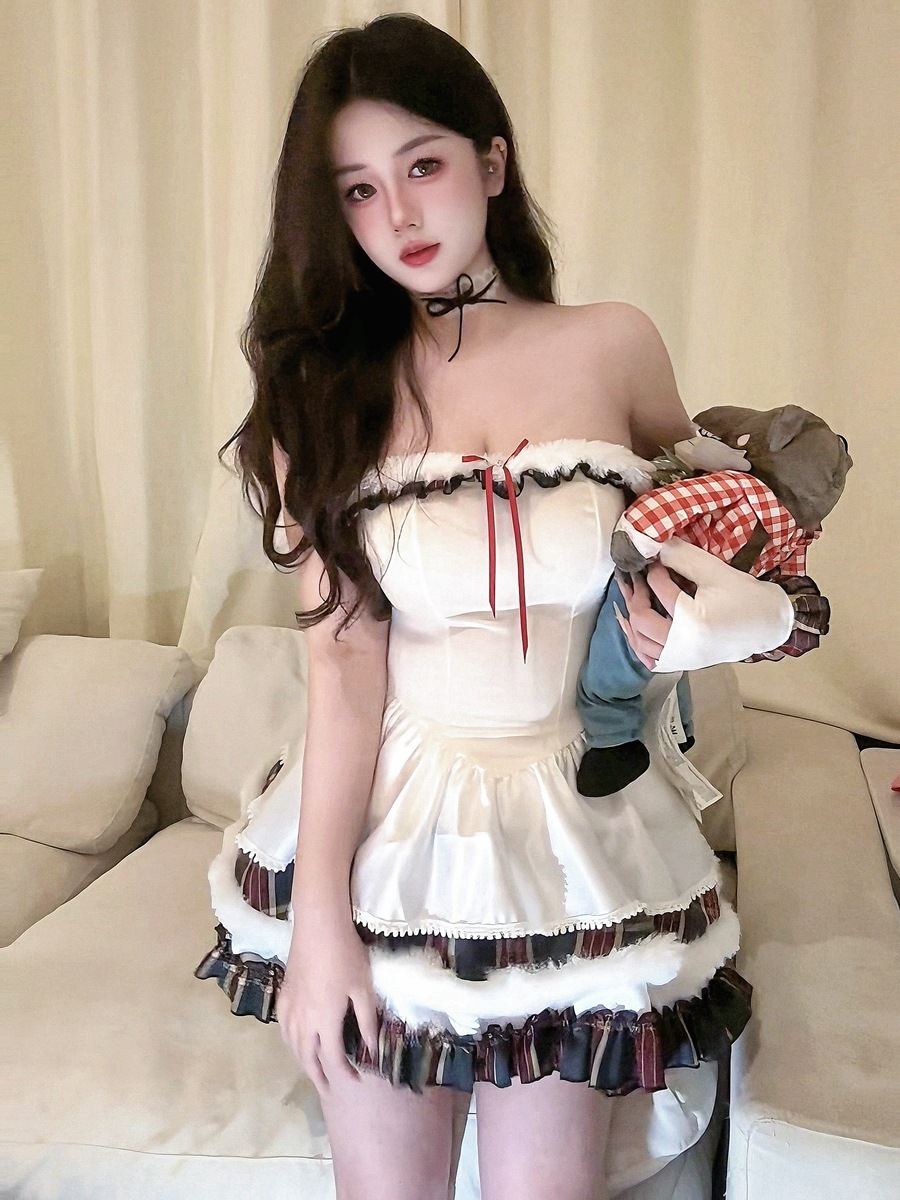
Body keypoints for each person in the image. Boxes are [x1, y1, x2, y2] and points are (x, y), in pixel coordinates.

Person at [194, 14, 796, 1200]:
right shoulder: (322, 389)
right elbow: (343, 672)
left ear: (493, 161)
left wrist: (705, 621)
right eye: (358, 189)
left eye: (422, 165)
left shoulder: (613, 346)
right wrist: (321, 930)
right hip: (391, 831)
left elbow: (703, 542)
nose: (399, 215)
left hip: (572, 828)